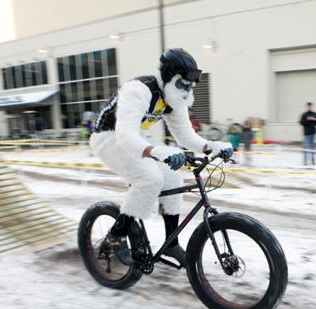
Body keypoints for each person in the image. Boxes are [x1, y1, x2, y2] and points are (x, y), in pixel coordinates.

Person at [90, 48, 233, 267]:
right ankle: (115, 237)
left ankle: (171, 243)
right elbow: (125, 135)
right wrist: (158, 152)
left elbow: (186, 135)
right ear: (168, 77)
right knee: (149, 179)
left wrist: (211, 147)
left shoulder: (174, 98)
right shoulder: (138, 90)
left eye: (190, 86)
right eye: (183, 84)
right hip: (109, 137)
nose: (187, 91)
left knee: (173, 177)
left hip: (139, 135)